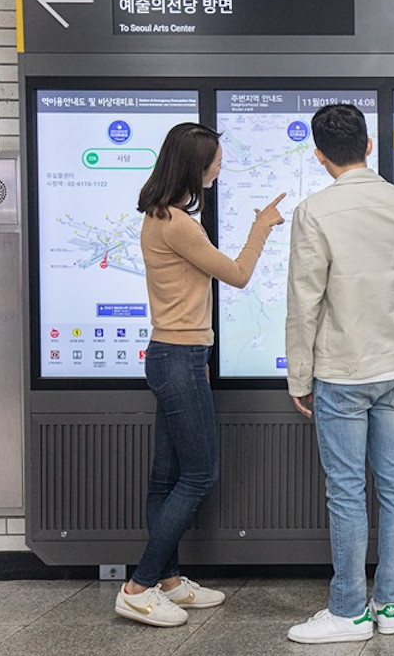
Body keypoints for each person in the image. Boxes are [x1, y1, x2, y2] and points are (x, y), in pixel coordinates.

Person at [117, 123, 285, 627]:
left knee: (165, 477)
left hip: (176, 356)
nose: (219, 167)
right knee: (199, 474)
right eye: (214, 160)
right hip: (177, 359)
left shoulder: (160, 214)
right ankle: (139, 585)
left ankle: (167, 581)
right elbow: (236, 274)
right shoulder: (178, 223)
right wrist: (261, 228)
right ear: (195, 165)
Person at [285, 104, 394, 644]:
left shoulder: (314, 211)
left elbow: (305, 301)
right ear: (369, 146)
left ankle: (349, 611)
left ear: (320, 156)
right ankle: (388, 606)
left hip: (342, 369)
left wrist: (298, 375)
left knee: (346, 492)